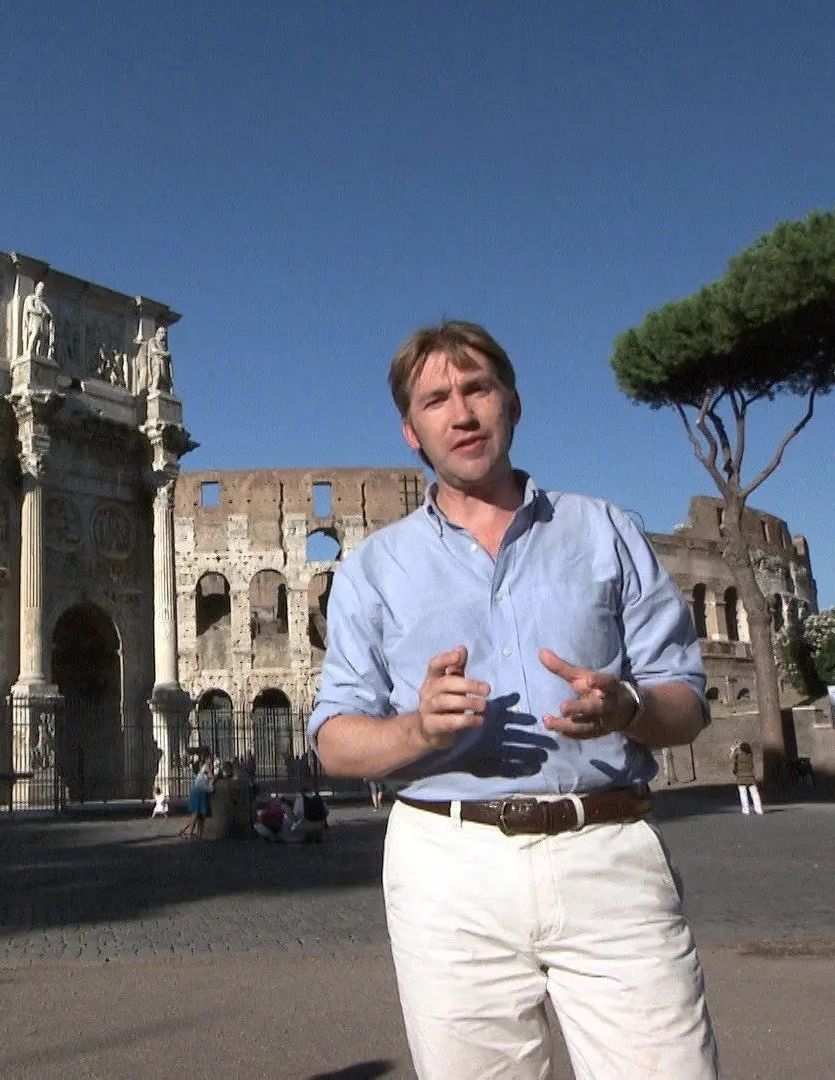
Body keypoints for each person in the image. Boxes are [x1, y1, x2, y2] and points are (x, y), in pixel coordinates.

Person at [310, 321, 718, 1078]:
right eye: (436, 401)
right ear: (411, 432)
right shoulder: (374, 570)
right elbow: (333, 739)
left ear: (513, 403)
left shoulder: (606, 531)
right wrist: (419, 730)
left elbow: (686, 703)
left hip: (607, 850)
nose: (462, 414)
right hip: (447, 864)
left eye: (478, 390)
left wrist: (627, 707)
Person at [178, 754, 214, 839]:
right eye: (209, 759)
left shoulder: (206, 767)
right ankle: (190, 833)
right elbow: (211, 777)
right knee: (196, 813)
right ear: (206, 760)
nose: (211, 761)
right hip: (199, 791)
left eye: (211, 759)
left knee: (199, 815)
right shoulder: (206, 767)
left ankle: (187, 831)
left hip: (201, 791)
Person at [730, 742, 764, 815]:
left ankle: (746, 810)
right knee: (755, 794)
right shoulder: (750, 756)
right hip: (750, 777)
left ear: (741, 749)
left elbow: (731, 757)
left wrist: (733, 750)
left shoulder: (738, 756)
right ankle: (759, 809)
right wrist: (738, 748)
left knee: (743, 794)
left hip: (741, 777)